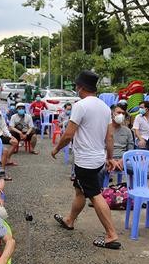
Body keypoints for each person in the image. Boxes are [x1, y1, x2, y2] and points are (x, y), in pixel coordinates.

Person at [51, 70, 121, 250]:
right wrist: (110, 157)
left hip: (85, 161)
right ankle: (70, 220)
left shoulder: (80, 106)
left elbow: (68, 134)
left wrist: (57, 149)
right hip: (97, 159)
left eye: (76, 86)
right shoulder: (105, 107)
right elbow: (110, 137)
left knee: (95, 195)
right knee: (80, 190)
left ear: (80, 87)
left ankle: (111, 235)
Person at [0, 97, 18, 176]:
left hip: (0, 135)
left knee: (15, 142)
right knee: (1, 150)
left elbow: (4, 126)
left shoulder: (0, 113)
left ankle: (7, 160)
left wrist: (10, 136)